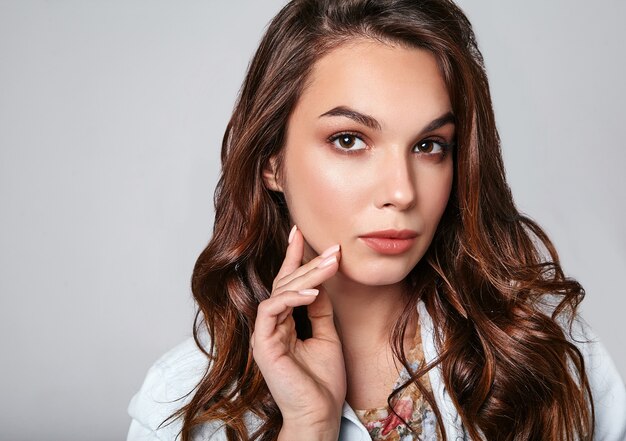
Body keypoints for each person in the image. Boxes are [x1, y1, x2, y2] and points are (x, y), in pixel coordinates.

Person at [127, 0, 626, 440]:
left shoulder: (543, 350)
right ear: (271, 161)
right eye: (349, 140)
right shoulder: (183, 404)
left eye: (430, 146)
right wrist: (307, 428)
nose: (402, 192)